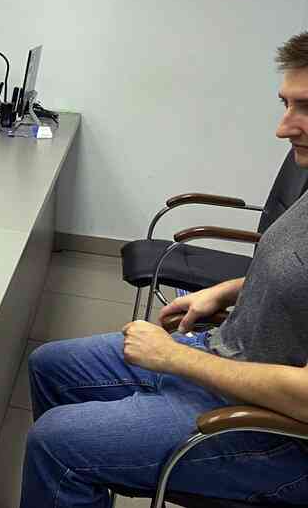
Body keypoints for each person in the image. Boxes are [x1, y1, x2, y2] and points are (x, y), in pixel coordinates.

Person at [20, 31, 308, 506]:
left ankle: (78, 469)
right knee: (49, 365)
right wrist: (226, 291)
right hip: (225, 359)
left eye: (306, 107)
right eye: (287, 104)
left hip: (275, 432)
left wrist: (173, 358)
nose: (283, 128)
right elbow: (294, 271)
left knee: (56, 444)